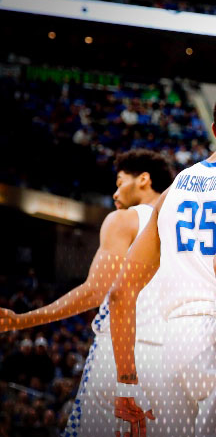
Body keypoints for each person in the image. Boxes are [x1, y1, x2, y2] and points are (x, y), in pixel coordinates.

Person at [107, 85, 216, 437]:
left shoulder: (174, 187)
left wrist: (126, 383)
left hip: (172, 343)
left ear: (214, 130)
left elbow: (120, 292)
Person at [0, 149, 173, 437]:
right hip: (170, 357)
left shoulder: (125, 219)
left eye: (120, 181)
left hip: (119, 353)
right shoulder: (180, 223)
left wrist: (23, 320)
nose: (115, 191)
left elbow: (95, 291)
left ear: (144, 179)